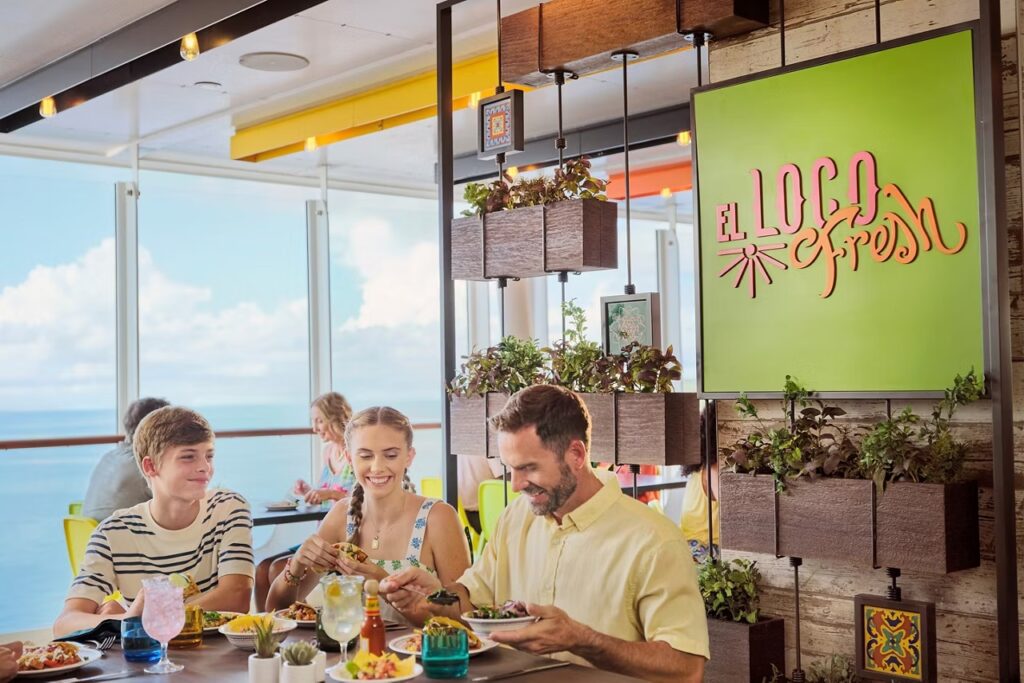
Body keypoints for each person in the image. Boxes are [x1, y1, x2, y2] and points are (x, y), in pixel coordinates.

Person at [380, 385, 708, 683]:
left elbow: (686, 668)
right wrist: (435, 597)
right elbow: (471, 603)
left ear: (576, 455)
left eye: (528, 468)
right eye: (510, 468)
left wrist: (583, 640)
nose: (515, 485)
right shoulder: (515, 518)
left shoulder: (654, 540)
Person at [54, 406, 254, 637]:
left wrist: (144, 618)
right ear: (150, 466)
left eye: (209, 455)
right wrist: (124, 619)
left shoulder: (228, 508)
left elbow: (236, 597)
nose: (205, 467)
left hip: (217, 653)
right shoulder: (112, 533)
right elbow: (64, 624)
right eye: (188, 457)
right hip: (150, 655)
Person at [266, 406, 470, 623]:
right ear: (349, 458)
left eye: (390, 455)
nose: (377, 467)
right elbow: (275, 613)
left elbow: (465, 619)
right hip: (348, 646)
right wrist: (297, 565)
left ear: (409, 457)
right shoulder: (340, 516)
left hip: (420, 646)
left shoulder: (438, 518)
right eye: (365, 456)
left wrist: (381, 582)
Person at [254, 391, 355, 610]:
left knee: (278, 568)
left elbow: (362, 501)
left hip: (341, 541)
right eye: (313, 421)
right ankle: (264, 629)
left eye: (319, 421)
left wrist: (330, 494)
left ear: (335, 418)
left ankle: (295, 623)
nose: (315, 428)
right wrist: (310, 491)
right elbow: (326, 495)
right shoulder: (328, 453)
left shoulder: (356, 454)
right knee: (262, 568)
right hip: (321, 537)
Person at [81, 397, 169, 521]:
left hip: (92, 533)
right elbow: (178, 505)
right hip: (123, 532)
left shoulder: (108, 457)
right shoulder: (145, 466)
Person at [680, 455, 720, 564]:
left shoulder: (697, 471)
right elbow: (730, 509)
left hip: (687, 544)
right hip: (705, 546)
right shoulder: (713, 469)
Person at [457, 454, 503, 534]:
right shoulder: (488, 447)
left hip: (459, 517)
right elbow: (508, 479)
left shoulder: (450, 448)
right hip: (484, 519)